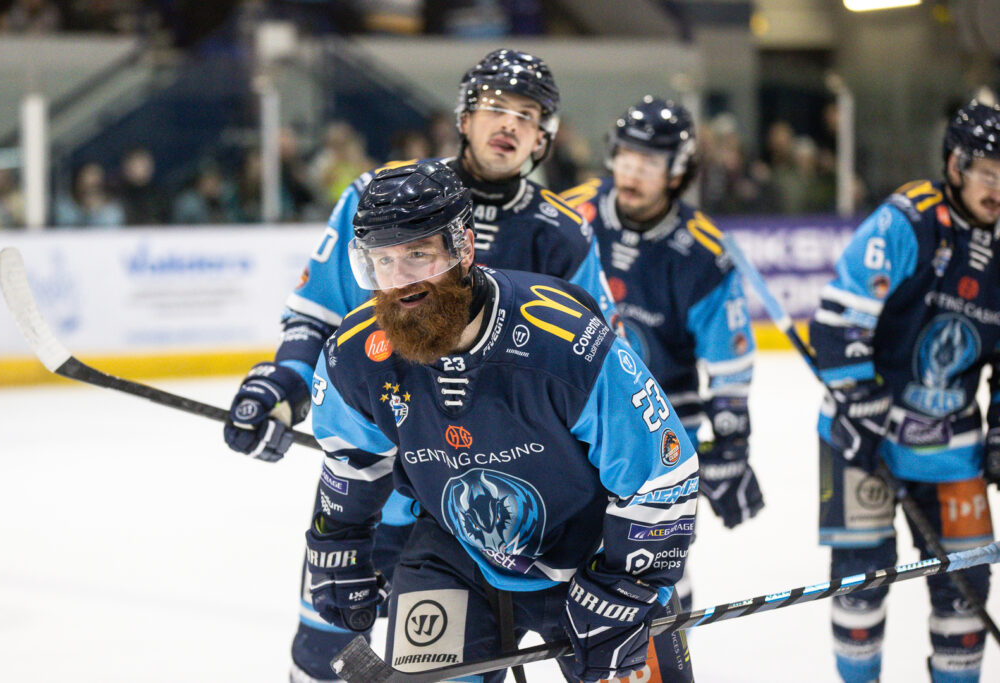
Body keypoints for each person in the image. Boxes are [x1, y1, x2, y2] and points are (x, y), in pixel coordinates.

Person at [222, 48, 616, 682]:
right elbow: (320, 316)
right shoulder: (384, 197)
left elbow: (594, 372)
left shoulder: (562, 234)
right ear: (463, 116)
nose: (508, 123)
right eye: (494, 107)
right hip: (386, 493)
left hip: (499, 504)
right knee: (326, 653)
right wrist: (284, 386)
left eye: (527, 113)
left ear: (545, 136)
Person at [304, 160, 696, 682]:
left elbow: (663, 473)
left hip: (592, 552)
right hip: (453, 550)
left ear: (463, 248)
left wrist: (625, 587)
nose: (400, 282)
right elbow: (352, 460)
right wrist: (340, 543)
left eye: (418, 254)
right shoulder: (357, 356)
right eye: (382, 261)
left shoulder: (565, 341)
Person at [808, 99, 1000, 683]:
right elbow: (839, 321)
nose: (998, 186)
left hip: (951, 445)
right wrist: (860, 399)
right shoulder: (909, 219)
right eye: (988, 171)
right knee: (860, 588)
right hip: (859, 432)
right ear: (955, 165)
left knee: (966, 595)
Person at [559, 97, 764, 609]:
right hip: (576, 415)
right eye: (626, 157)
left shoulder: (701, 251)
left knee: (655, 562)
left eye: (648, 162)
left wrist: (732, 445)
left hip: (663, 426)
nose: (631, 171)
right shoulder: (570, 214)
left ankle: (667, 655)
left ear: (677, 171)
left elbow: (729, 365)